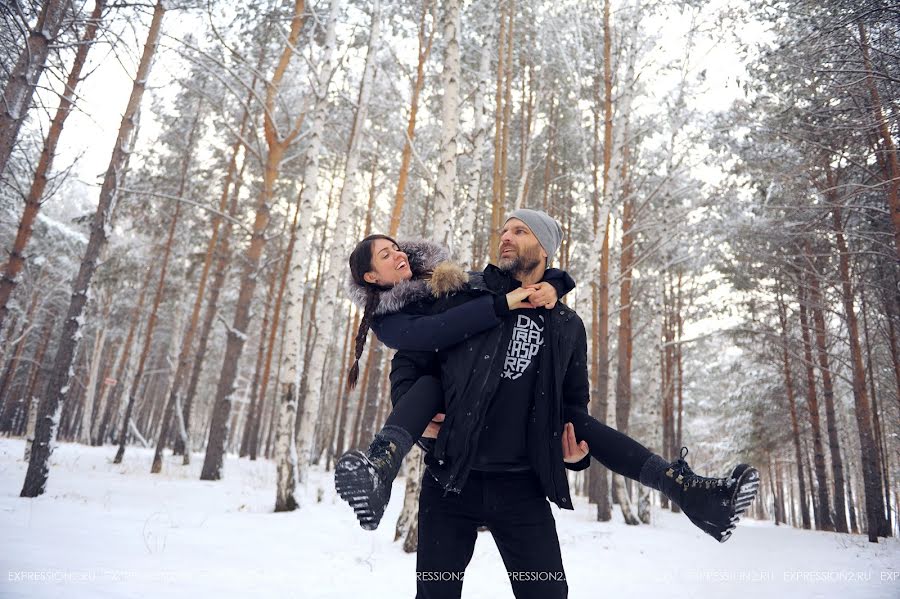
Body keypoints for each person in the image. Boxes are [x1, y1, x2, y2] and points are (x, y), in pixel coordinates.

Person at [335, 235, 578, 530]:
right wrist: (408, 409)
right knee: (428, 385)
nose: (397, 254)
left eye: (396, 248)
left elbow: (502, 280)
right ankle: (380, 468)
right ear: (371, 276)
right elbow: (431, 336)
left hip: (480, 398)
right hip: (443, 412)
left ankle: (382, 476)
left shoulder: (444, 282)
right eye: (385, 255)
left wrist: (557, 281)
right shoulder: (387, 319)